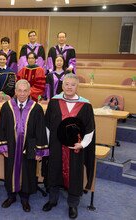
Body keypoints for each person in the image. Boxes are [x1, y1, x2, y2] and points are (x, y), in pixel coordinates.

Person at [42, 73, 95, 219]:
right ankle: (52, 200)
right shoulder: (54, 102)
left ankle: (73, 204)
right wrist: (48, 144)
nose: (69, 87)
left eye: (73, 84)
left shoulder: (85, 105)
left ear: (77, 86)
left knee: (75, 175)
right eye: (66, 84)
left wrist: (82, 144)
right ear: (62, 85)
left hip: (75, 148)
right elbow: (47, 125)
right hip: (56, 146)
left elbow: (90, 129)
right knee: (54, 171)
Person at [0, 79, 48, 212]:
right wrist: (3, 147)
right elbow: (1, 128)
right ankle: (11, 196)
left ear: (30, 92)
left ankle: (25, 199)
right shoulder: (7, 107)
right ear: (15, 91)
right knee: (10, 170)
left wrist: (39, 151)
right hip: (11, 147)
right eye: (19, 90)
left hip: (28, 147)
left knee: (28, 171)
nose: (22, 93)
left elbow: (41, 130)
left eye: (25, 91)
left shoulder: (36, 108)